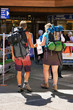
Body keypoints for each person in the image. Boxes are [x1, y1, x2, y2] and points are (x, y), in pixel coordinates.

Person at [11, 21, 37, 92]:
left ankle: (19, 86)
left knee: (19, 71)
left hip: (17, 56)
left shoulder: (14, 34)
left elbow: (12, 45)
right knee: (27, 70)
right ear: (26, 26)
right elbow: (31, 46)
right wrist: (36, 45)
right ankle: (26, 83)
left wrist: (13, 55)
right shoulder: (28, 34)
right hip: (26, 56)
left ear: (19, 26)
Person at [39, 23, 62, 91]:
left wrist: (38, 44)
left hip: (48, 53)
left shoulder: (46, 34)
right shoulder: (58, 33)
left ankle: (46, 84)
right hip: (56, 53)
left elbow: (43, 43)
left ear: (46, 28)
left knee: (46, 69)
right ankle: (55, 85)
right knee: (55, 71)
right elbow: (63, 40)